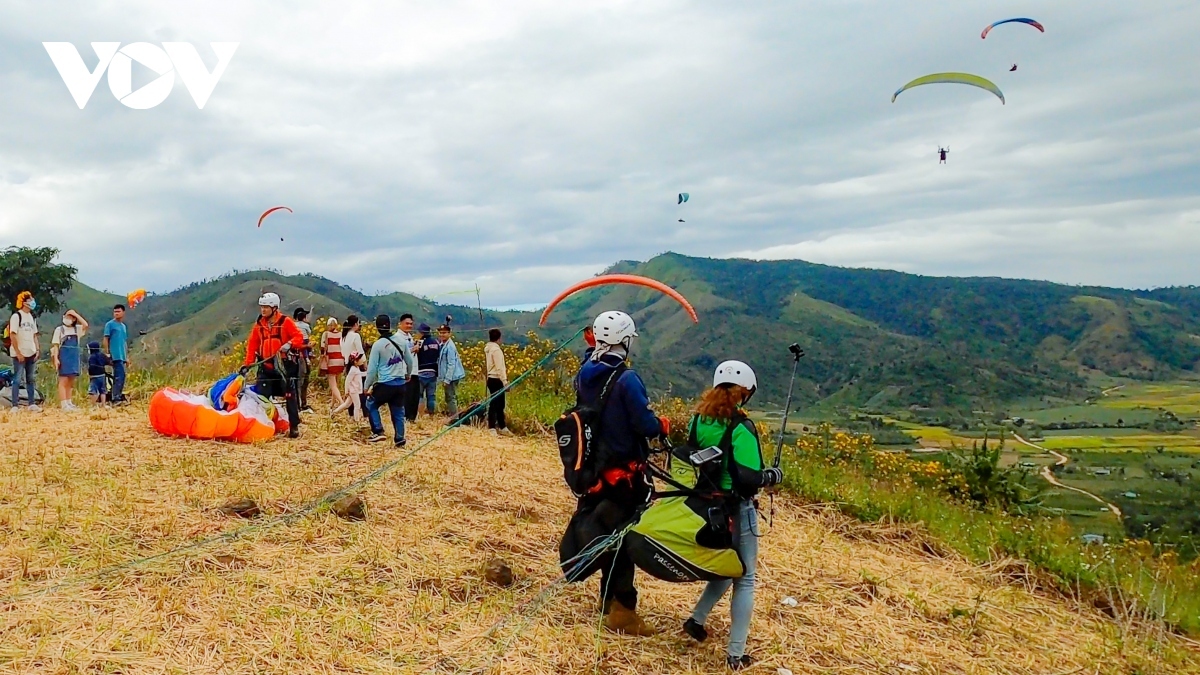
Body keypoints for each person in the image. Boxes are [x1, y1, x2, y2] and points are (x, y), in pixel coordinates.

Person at [560, 311, 668, 635]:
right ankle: (623, 611)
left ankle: (608, 602)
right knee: (622, 538)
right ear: (624, 341)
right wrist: (660, 425)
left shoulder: (585, 373)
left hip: (596, 473)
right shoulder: (626, 379)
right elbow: (644, 424)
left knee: (607, 533)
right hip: (624, 476)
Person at [680, 361, 782, 671]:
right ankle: (736, 654)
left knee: (727, 567)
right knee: (746, 577)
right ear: (745, 392)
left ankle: (696, 621)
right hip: (737, 508)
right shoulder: (742, 427)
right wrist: (772, 476)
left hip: (706, 507)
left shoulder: (699, 420)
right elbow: (750, 479)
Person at [242, 292, 304, 438]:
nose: (263, 310)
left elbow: (299, 337)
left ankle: (294, 426)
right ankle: (263, 426)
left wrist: (289, 344)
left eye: (266, 307)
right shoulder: (259, 325)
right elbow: (252, 345)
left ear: (274, 308)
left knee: (290, 396)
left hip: (283, 366)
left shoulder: (285, 322)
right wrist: (248, 364)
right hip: (266, 366)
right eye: (261, 307)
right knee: (262, 397)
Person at [364, 314, 414, 446]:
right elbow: (409, 361)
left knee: (371, 404)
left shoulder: (378, 345)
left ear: (377, 328)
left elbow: (372, 369)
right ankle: (400, 438)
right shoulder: (401, 341)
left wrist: (366, 386)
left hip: (385, 383)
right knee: (398, 410)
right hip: (400, 383)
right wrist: (408, 374)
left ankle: (378, 431)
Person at [7, 291, 41, 411]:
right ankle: (15, 405)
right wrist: (18, 352)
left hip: (30, 352)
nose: (32, 302)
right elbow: (13, 334)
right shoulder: (17, 316)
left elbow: (34, 335)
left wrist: (37, 349)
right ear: (24, 302)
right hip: (19, 353)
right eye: (30, 299)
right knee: (17, 378)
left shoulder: (31, 317)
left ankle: (31, 403)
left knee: (30, 378)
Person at [51, 309, 88, 410]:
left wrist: (75, 314)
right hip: (63, 357)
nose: (67, 318)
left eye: (70, 317)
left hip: (74, 357)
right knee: (63, 380)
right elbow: (56, 345)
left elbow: (86, 325)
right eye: (66, 316)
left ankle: (69, 401)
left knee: (71, 380)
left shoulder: (77, 329)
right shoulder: (59, 330)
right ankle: (63, 404)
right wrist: (56, 359)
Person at [484, 328, 510, 435]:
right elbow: (500, 367)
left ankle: (502, 426)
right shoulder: (496, 350)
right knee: (495, 404)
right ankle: (492, 427)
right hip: (496, 379)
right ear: (499, 338)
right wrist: (505, 381)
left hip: (490, 378)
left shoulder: (488, 349)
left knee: (499, 403)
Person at [395, 314, 420, 423]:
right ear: (400, 324)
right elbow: (398, 354)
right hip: (404, 371)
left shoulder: (409, 336)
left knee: (414, 395)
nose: (409, 326)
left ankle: (412, 417)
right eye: (407, 323)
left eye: (411, 324)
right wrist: (412, 350)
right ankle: (405, 417)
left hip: (414, 370)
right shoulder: (397, 337)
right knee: (406, 396)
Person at [102, 304, 129, 404]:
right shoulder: (110, 324)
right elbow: (106, 338)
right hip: (115, 355)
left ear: (123, 312)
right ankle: (115, 397)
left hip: (122, 355)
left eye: (118, 311)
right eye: (115, 312)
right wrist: (107, 352)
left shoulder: (123, 326)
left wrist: (127, 357)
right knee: (119, 376)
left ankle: (117, 395)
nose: (116, 313)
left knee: (121, 376)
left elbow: (124, 342)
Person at [436, 324, 465, 417]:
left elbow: (451, 364)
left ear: (449, 333)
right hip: (448, 376)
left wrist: (447, 379)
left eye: (444, 333)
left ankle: (455, 419)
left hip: (452, 377)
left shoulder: (450, 347)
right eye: (440, 333)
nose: (442, 335)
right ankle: (453, 416)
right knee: (449, 397)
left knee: (450, 397)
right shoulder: (443, 344)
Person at [414, 323, 441, 415]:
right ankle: (431, 415)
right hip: (433, 372)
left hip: (421, 371)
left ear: (421, 332)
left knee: (420, 395)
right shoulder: (436, 342)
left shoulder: (420, 342)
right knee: (431, 396)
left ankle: (420, 415)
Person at [332, 354, 367, 421]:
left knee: (347, 404)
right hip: (353, 391)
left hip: (355, 390)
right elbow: (347, 381)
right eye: (359, 359)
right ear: (355, 361)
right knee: (357, 405)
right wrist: (346, 391)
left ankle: (334, 412)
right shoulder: (353, 370)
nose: (361, 361)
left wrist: (367, 373)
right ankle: (357, 420)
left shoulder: (356, 369)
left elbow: (360, 374)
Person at [320, 317, 345, 408]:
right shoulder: (341, 334)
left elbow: (322, 348)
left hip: (331, 361)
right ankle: (332, 403)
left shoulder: (325, 334)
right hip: (341, 361)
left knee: (333, 385)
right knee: (337, 384)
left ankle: (342, 403)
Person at [293, 307, 313, 412]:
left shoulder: (295, 326)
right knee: (301, 380)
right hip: (299, 356)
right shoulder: (303, 327)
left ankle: (302, 403)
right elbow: (297, 345)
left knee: (304, 379)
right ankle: (299, 404)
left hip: (303, 355)